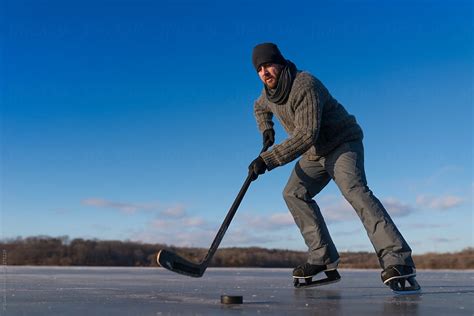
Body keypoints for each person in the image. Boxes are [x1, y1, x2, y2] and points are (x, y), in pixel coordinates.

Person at [248, 42, 420, 292]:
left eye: (268, 65)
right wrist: (266, 129)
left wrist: (268, 159)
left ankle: (399, 260)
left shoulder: (304, 84)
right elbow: (259, 107)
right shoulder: (268, 94)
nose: (264, 72)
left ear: (281, 63)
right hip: (315, 153)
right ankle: (322, 258)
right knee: (293, 193)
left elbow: (306, 134)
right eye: (259, 68)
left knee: (354, 189)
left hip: (342, 143)